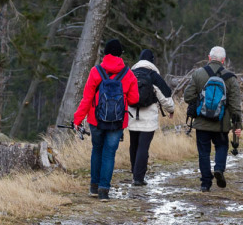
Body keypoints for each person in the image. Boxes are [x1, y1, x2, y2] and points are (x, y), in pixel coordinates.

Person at [73, 39, 139, 201]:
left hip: (96, 119)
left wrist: (78, 119)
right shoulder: (128, 74)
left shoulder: (96, 72)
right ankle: (104, 191)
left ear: (105, 54)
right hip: (117, 121)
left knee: (97, 150)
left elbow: (87, 99)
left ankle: (94, 188)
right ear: (120, 54)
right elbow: (134, 99)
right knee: (109, 154)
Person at [184, 46, 242, 192]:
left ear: (209, 57)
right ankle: (219, 169)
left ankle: (205, 184)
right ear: (223, 60)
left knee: (203, 152)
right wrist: (238, 125)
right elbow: (235, 105)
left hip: (202, 123)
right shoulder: (231, 77)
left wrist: (200, 100)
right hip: (221, 124)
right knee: (221, 146)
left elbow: (187, 96)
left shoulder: (198, 74)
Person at [128, 49, 175, 186]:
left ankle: (134, 172)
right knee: (143, 147)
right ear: (152, 61)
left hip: (131, 115)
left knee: (134, 145)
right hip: (148, 117)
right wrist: (171, 110)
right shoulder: (154, 75)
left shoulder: (130, 74)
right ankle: (138, 178)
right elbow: (164, 96)